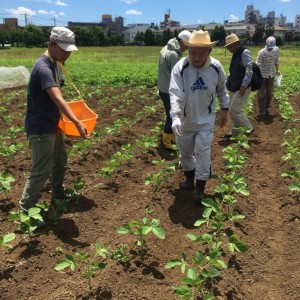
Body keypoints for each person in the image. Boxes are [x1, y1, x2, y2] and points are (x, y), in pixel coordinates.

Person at [19, 27, 89, 221]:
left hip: (52, 124)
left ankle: (57, 192)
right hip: (41, 128)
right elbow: (58, 99)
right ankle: (25, 212)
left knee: (60, 160)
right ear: (51, 44)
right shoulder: (43, 68)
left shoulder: (54, 63)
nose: (67, 54)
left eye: (69, 50)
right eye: (64, 49)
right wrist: (76, 122)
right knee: (40, 170)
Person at [169, 30, 229, 201]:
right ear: (187, 50)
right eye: (192, 53)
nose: (196, 57)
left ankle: (200, 187)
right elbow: (175, 94)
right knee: (185, 152)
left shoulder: (216, 68)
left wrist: (224, 110)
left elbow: (221, 90)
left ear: (209, 52)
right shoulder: (180, 68)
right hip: (185, 120)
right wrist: (175, 117)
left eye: (201, 53)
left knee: (203, 152)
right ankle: (189, 178)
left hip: (205, 120)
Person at [157, 30, 191, 150]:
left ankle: (170, 135)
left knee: (169, 112)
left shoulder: (165, 48)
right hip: (168, 89)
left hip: (162, 86)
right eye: (186, 45)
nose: (187, 48)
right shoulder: (174, 55)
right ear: (181, 42)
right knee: (172, 114)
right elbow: (177, 75)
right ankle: (166, 139)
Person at [224, 33, 254, 137]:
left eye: (229, 45)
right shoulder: (236, 54)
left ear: (236, 43)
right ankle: (235, 133)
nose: (228, 48)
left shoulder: (244, 52)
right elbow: (233, 71)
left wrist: (244, 86)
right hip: (234, 86)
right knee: (232, 110)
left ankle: (249, 127)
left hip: (242, 87)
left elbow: (249, 70)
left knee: (234, 110)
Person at [256, 36, 280, 118]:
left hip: (271, 75)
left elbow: (276, 61)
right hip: (262, 76)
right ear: (266, 44)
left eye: (271, 47)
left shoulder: (276, 50)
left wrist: (277, 71)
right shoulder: (261, 52)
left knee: (269, 93)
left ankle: (266, 108)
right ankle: (261, 111)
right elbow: (258, 65)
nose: (270, 49)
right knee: (261, 93)